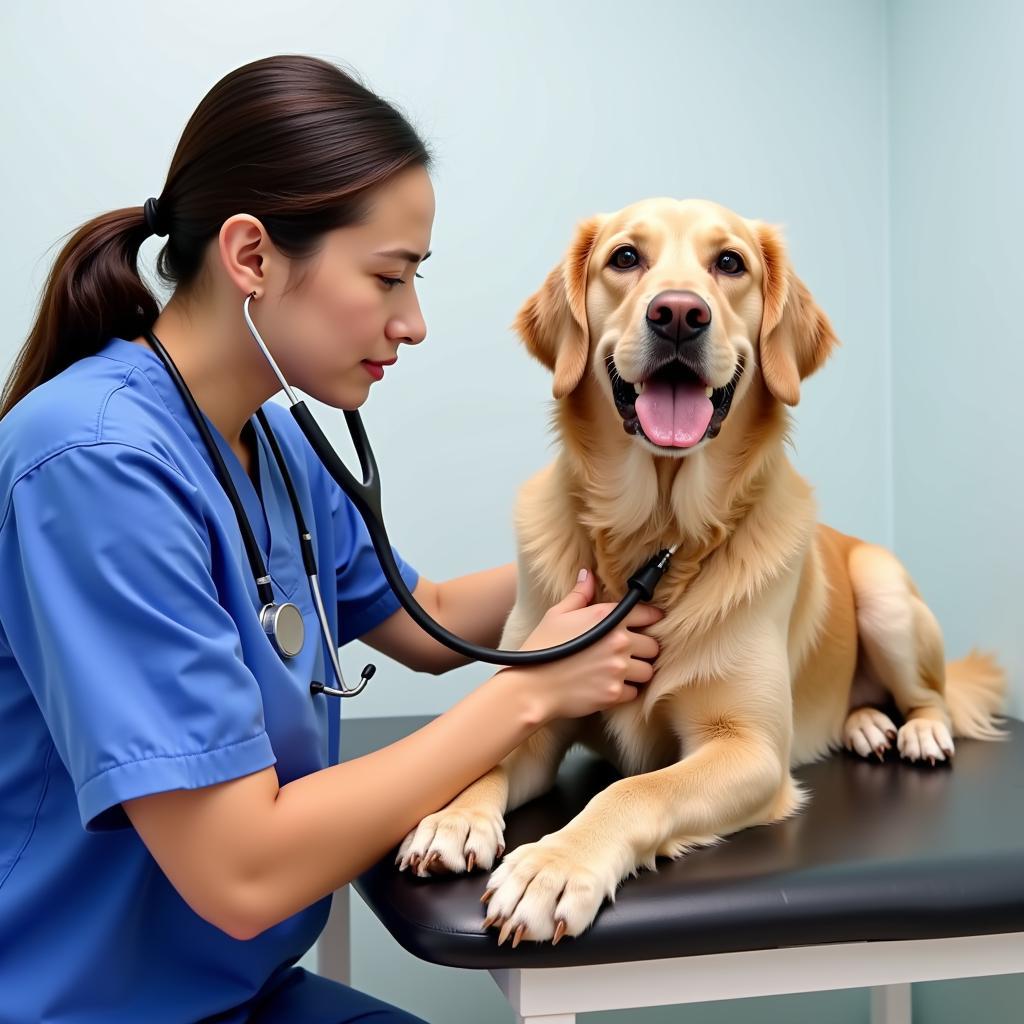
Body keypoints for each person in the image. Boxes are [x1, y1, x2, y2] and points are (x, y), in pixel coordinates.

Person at [0, 54, 662, 1023]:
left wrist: (644, 562)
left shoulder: (268, 438)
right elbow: (243, 869)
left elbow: (429, 621)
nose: (415, 322)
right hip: (83, 1004)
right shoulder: (92, 464)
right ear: (253, 256)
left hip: (243, 994)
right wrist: (530, 695)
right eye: (389, 277)